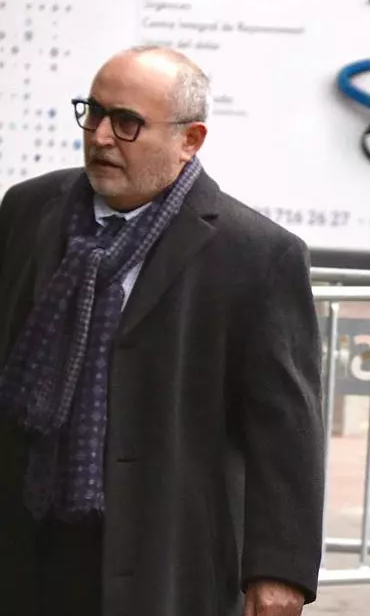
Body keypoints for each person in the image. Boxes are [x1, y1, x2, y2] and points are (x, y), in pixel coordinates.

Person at [0, 45, 326, 616]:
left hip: (164, 551)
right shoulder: (29, 210)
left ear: (189, 140)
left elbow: (285, 429)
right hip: (26, 536)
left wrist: (279, 570)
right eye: (94, 112)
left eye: (127, 122)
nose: (101, 136)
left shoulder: (257, 253)